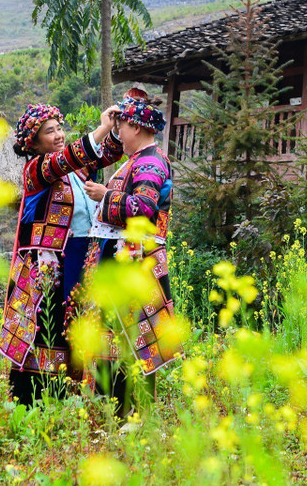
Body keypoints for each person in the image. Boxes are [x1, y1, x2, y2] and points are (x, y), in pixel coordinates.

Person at [0, 103, 124, 406]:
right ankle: (40, 400)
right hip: (51, 266)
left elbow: (105, 154)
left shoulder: (78, 170)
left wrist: (117, 127)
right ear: (34, 143)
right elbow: (68, 157)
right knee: (50, 324)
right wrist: (101, 129)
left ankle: (98, 395)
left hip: (86, 256)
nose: (57, 135)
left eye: (59, 128)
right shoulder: (37, 170)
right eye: (49, 131)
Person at [82, 92, 181, 413]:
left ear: (136, 128)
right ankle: (119, 410)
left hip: (137, 264)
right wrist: (106, 126)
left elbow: (143, 206)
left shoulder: (150, 163)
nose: (119, 132)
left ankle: (132, 412)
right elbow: (100, 153)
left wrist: (104, 194)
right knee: (120, 336)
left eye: (122, 125)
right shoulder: (138, 159)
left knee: (133, 337)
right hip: (127, 262)